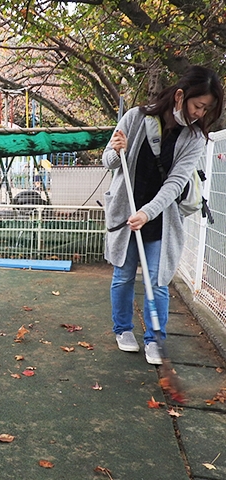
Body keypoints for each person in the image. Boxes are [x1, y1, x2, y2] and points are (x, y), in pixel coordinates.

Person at [102, 65, 224, 365]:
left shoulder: (196, 139)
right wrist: (116, 150)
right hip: (125, 213)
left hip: (160, 219)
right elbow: (108, 162)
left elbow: (175, 184)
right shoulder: (135, 118)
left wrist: (147, 212)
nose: (200, 113)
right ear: (181, 96)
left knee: (158, 280)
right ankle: (123, 330)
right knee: (123, 275)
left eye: (206, 109)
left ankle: (156, 339)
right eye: (198, 105)